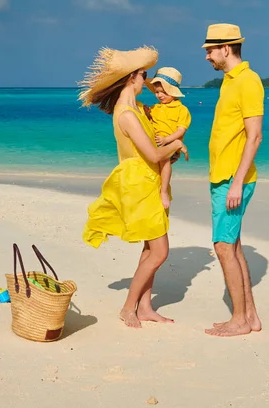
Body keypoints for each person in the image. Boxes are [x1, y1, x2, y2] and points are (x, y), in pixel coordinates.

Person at [79, 46, 189, 328]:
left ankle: (145, 307)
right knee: (161, 252)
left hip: (149, 181)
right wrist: (177, 144)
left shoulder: (137, 108)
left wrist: (170, 144)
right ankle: (129, 307)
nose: (146, 81)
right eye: (143, 75)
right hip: (140, 184)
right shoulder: (127, 113)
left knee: (150, 249)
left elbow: (155, 146)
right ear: (131, 78)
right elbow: (152, 155)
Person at [202, 23, 264, 337]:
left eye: (210, 50)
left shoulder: (248, 81)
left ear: (226, 48)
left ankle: (238, 320)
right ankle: (249, 316)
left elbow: (254, 137)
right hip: (223, 176)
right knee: (234, 246)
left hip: (232, 179)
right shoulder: (229, 81)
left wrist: (237, 181)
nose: (207, 56)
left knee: (223, 246)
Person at [144, 67, 192, 212]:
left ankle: (164, 191)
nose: (159, 95)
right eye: (157, 92)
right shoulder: (155, 108)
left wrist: (167, 140)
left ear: (172, 92)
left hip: (169, 142)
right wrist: (146, 113)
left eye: (163, 92)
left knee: (164, 161)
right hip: (157, 142)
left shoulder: (181, 110)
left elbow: (181, 130)